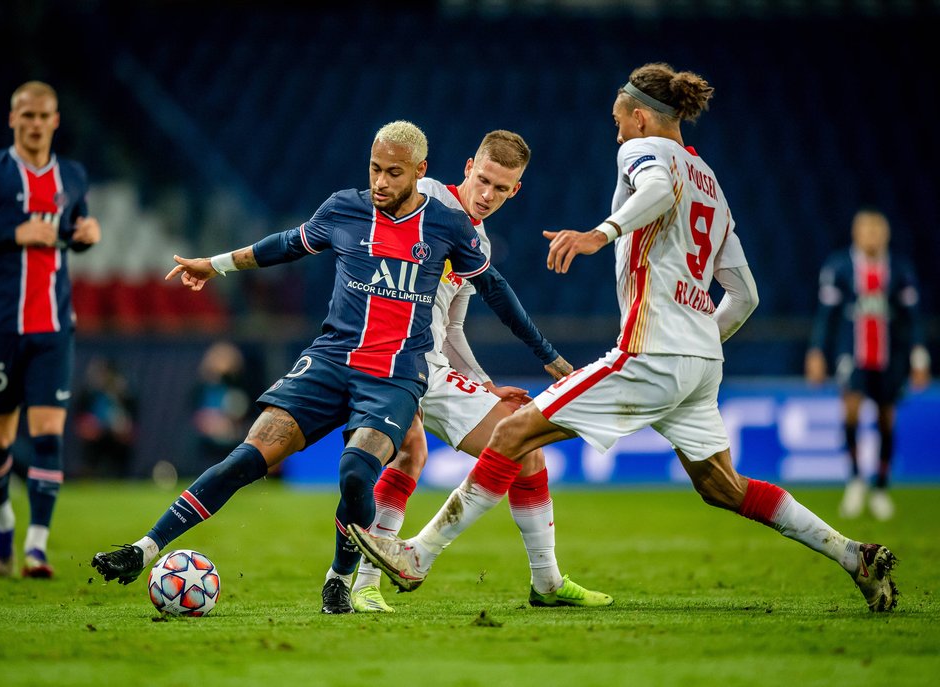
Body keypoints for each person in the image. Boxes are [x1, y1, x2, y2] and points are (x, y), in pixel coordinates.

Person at [349, 63, 900, 613]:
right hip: (701, 359)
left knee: (516, 433)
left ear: (639, 117)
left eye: (618, 121)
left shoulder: (645, 152)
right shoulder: (710, 184)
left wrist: (600, 233)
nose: (615, 132)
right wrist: (699, 341)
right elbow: (746, 295)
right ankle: (854, 555)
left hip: (650, 349)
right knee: (722, 486)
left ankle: (419, 554)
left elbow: (655, 188)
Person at [91, 121, 572, 614]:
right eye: (375, 169)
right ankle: (144, 548)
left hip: (394, 375)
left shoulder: (451, 228)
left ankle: (342, 580)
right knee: (248, 458)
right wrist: (214, 264)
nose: (381, 182)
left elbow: (493, 295)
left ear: (419, 173)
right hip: (329, 361)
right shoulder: (345, 206)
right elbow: (284, 245)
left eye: (393, 173)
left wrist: (545, 357)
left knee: (355, 472)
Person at [348, 130, 610, 613]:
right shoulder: (425, 199)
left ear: (516, 191)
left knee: (523, 444)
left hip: (432, 365)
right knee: (411, 453)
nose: (488, 195)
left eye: (502, 188)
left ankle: (547, 581)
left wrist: (483, 382)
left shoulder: (478, 240)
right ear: (468, 167)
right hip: (393, 358)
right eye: (484, 180)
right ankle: (365, 581)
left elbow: (450, 325)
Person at [0, 80, 102, 578]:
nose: (34, 124)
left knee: (49, 435)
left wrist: (86, 237)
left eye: (43, 116)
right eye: (25, 115)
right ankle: (3, 519)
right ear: (13, 119)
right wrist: (12, 234)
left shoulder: (72, 176)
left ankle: (36, 547)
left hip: (53, 326)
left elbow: (75, 231)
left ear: (56, 121)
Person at [805, 208, 931, 521]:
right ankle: (856, 479)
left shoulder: (899, 270)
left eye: (878, 229)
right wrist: (817, 351)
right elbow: (827, 316)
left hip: (890, 356)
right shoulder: (839, 267)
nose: (872, 235)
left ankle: (881, 487)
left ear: (885, 234)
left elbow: (913, 318)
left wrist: (919, 355)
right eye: (867, 229)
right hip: (852, 353)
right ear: (856, 233)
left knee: (887, 419)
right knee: (850, 409)